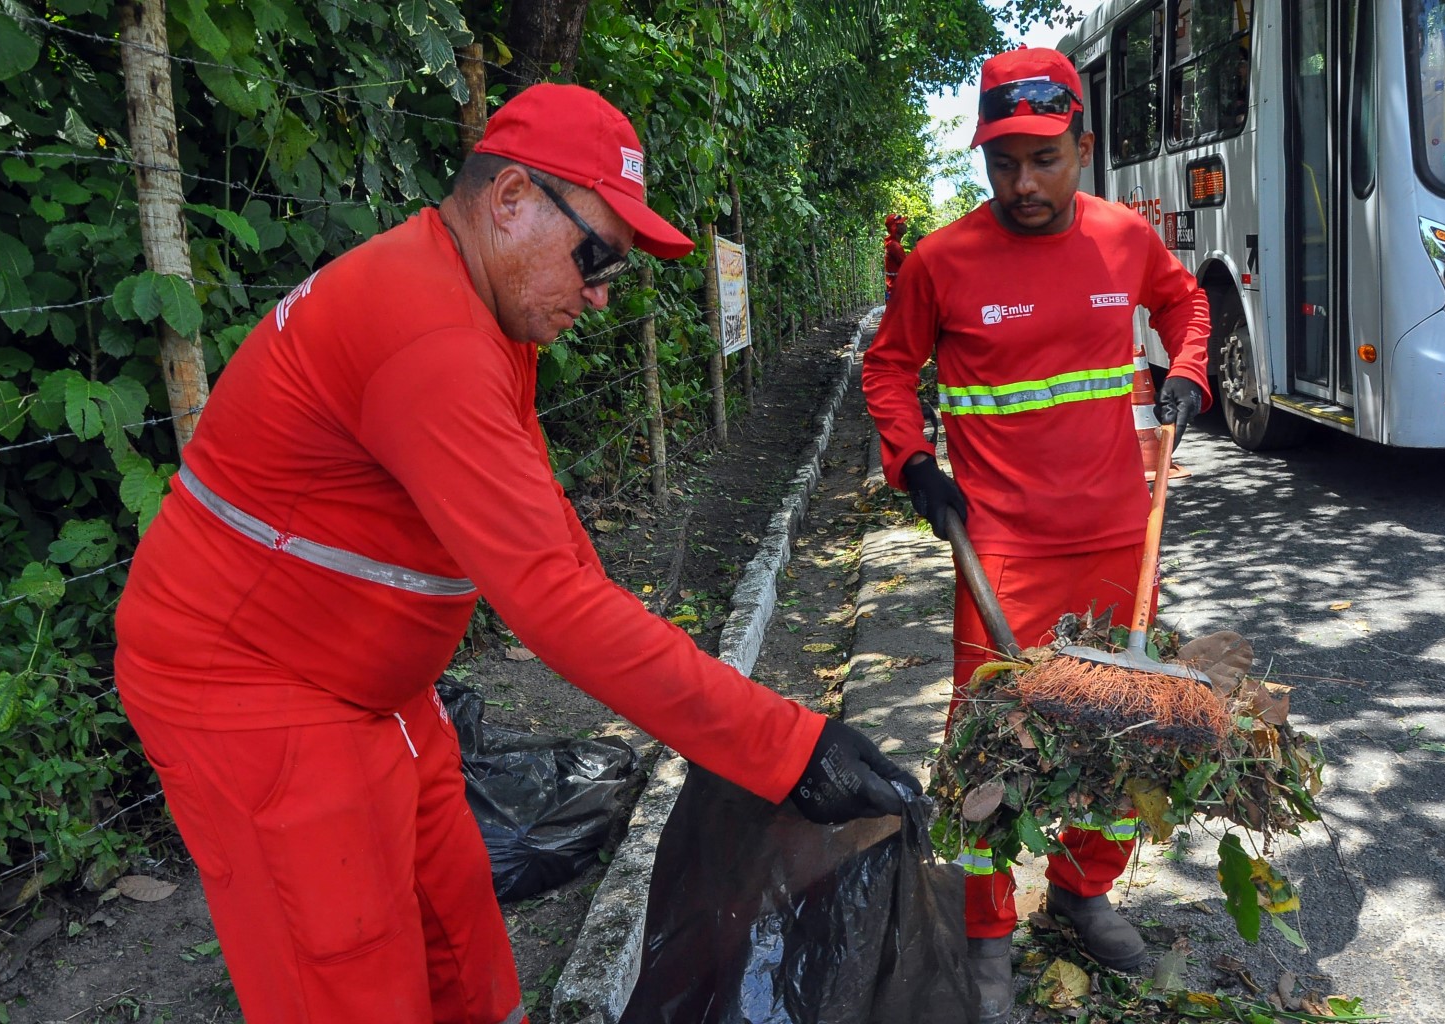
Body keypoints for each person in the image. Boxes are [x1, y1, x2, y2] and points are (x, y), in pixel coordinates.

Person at [113, 83, 918, 1024]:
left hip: (370, 685)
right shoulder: (432, 336)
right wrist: (788, 745)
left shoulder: (472, 303)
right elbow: (553, 605)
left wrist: (754, 723)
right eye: (595, 256)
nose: (602, 291)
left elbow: (552, 548)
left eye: (612, 269)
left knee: (460, 935)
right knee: (346, 974)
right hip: (254, 689)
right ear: (510, 200)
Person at [861, 45, 1210, 1022]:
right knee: (990, 753)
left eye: (1044, 159)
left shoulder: (1123, 239)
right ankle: (983, 936)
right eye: (1002, 161)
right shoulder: (943, 261)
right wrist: (915, 463)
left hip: (1115, 540)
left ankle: (1081, 889)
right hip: (1000, 556)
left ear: (1083, 146)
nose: (1022, 183)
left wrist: (1188, 369)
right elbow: (889, 369)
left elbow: (1185, 301)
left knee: (1116, 735)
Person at [883, 212, 908, 301]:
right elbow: (908, 266)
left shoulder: (892, 244)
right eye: (901, 223)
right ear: (895, 228)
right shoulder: (895, 246)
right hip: (897, 292)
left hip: (894, 291)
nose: (905, 225)